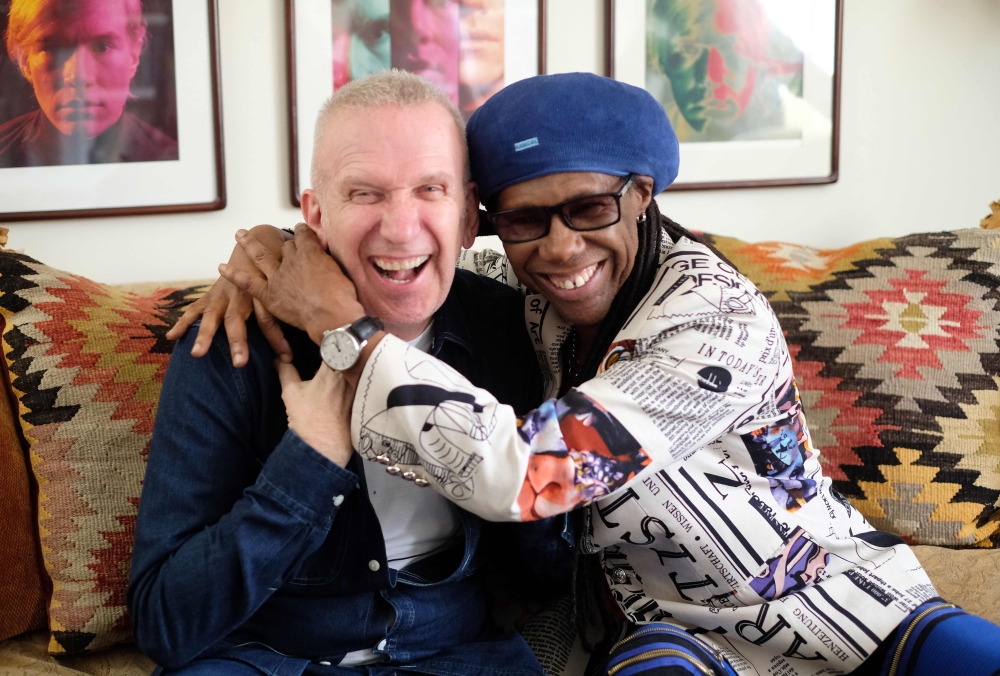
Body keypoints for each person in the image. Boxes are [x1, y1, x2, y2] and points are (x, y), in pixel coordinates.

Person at [185, 72, 1000, 676]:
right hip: (666, 636)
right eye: (526, 220)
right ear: (488, 221)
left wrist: (340, 329)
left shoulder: (715, 323)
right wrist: (273, 255)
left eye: (589, 209)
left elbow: (532, 475)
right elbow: (402, 256)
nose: (561, 250)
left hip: (837, 608)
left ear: (640, 196)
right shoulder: (522, 294)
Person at [127, 70, 569, 675]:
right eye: (365, 193)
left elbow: (551, 571)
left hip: (457, 654)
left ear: (469, 216)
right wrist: (310, 458)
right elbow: (164, 622)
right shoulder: (231, 342)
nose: (400, 226)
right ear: (315, 216)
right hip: (264, 658)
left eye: (430, 190)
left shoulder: (518, 328)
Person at [0, 0, 178, 168]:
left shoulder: (175, 164)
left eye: (101, 47)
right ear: (24, 61)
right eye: (53, 48)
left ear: (134, 55)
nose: (78, 76)